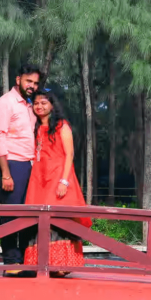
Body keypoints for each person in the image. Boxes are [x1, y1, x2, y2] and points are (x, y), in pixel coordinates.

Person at [22, 90, 91, 275]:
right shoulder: (34, 127)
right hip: (39, 178)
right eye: (36, 103)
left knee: (58, 218)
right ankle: (42, 263)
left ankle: (62, 265)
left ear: (52, 105)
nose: (39, 106)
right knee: (38, 218)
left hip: (58, 177)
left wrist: (64, 181)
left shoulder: (62, 126)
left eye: (44, 102)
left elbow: (70, 155)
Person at [0, 63, 41, 274]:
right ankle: (11, 262)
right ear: (18, 79)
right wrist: (6, 173)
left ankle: (25, 260)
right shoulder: (6, 103)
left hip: (27, 164)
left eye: (36, 83)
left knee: (28, 213)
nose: (32, 86)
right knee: (11, 213)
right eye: (29, 81)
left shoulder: (29, 105)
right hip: (10, 163)